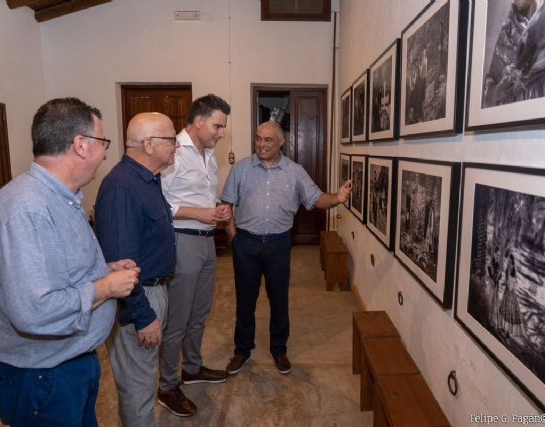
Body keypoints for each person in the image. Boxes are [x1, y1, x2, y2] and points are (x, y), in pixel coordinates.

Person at [0, 97, 139, 427]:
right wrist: (107, 286)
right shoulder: (27, 209)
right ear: (81, 145)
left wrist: (104, 270)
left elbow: (57, 271)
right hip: (42, 377)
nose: (105, 153)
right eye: (102, 143)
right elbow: (34, 312)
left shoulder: (58, 199)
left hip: (65, 366)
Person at [221, 120, 352, 376]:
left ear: (281, 142)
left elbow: (316, 199)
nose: (261, 144)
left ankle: (279, 349)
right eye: (258, 138)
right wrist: (234, 239)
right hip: (245, 243)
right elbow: (226, 206)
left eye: (268, 140)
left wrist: (337, 198)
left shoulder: (295, 171)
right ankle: (242, 350)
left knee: (278, 300)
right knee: (245, 300)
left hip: (278, 245)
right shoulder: (241, 169)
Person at [94, 112, 178, 427]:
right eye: (171, 140)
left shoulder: (147, 179)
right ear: (149, 144)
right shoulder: (122, 187)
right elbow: (121, 265)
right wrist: (143, 316)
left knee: (143, 381)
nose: (176, 147)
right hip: (139, 298)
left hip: (155, 289)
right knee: (138, 389)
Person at [157, 95, 232, 417]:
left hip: (206, 241)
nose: (221, 132)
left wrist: (217, 208)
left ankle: (192, 367)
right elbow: (158, 204)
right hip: (182, 240)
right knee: (178, 319)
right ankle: (167, 385)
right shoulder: (171, 150)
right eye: (218, 125)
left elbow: (200, 194)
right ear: (198, 121)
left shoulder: (209, 154)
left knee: (200, 313)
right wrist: (197, 213)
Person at [498, 253, 524, 339]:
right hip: (506, 292)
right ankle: (503, 328)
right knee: (504, 310)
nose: (508, 263)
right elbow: (507, 282)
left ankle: (507, 333)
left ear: (513, 263)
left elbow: (511, 285)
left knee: (510, 312)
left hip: (510, 294)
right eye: (508, 261)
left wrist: (507, 281)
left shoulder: (513, 272)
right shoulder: (507, 269)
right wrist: (504, 282)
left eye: (510, 262)